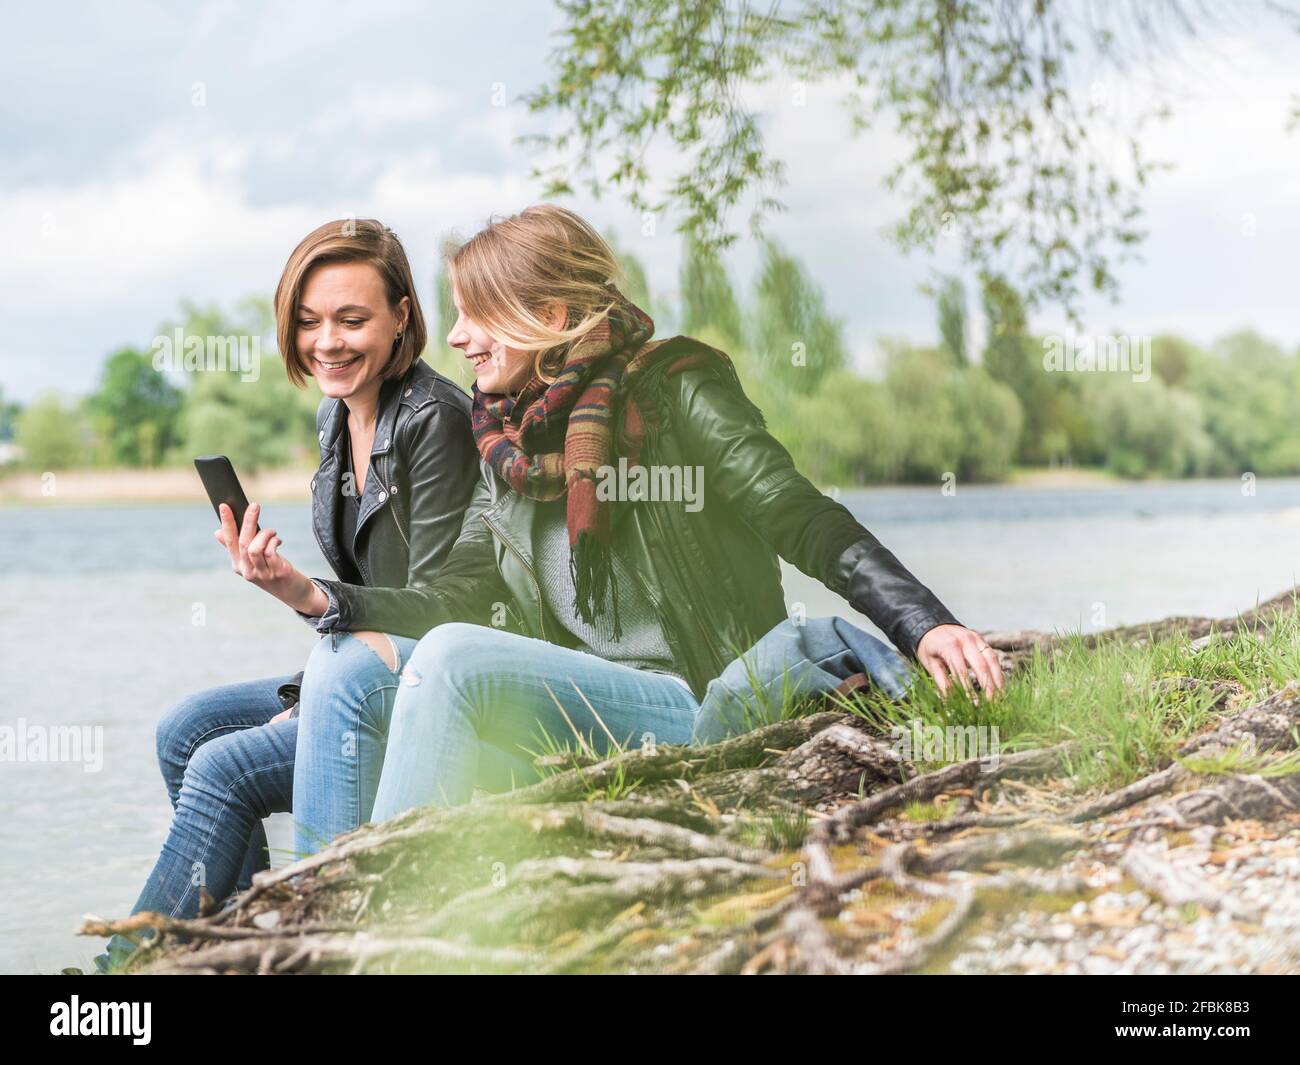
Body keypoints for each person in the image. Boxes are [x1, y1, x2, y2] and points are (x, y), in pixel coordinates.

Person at [292, 203, 1004, 833]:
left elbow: (798, 513)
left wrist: (923, 621)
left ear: (550, 318)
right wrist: (329, 602)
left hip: (691, 700)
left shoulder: (673, 390)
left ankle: (386, 912)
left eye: (476, 314)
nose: (456, 336)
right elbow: (459, 593)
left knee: (451, 657)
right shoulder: (506, 442)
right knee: (345, 664)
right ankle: (325, 901)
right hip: (577, 706)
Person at [94, 219, 479, 972]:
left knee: (223, 767)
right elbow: (367, 595)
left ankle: (121, 971)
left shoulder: (436, 421)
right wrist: (297, 601)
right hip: (364, 662)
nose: (326, 342)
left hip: (425, 686)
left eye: (351, 319)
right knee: (184, 730)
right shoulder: (337, 414)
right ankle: (240, 944)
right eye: (309, 321)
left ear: (402, 316)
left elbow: (445, 608)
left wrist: (308, 597)